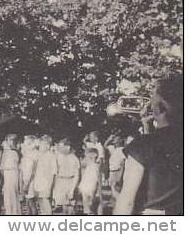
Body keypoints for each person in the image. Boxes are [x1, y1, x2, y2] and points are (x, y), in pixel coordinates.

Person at [115, 74, 184, 215]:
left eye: (153, 97)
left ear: (162, 106)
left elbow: (126, 202)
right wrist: (148, 128)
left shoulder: (143, 144)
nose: (149, 102)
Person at [53, 138, 80, 215]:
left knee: (71, 207)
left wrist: (73, 189)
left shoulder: (74, 158)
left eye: (61, 147)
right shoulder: (58, 157)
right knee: (64, 206)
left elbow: (77, 175)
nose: (59, 149)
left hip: (71, 182)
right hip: (61, 182)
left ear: (68, 147)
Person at [33, 135, 58, 215]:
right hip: (38, 182)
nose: (40, 146)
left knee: (46, 201)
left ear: (48, 146)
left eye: (42, 144)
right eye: (40, 144)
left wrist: (49, 187)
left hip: (46, 183)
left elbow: (53, 173)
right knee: (40, 202)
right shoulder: (39, 155)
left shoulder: (51, 156)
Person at [1, 134, 21, 215]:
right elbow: (2, 166)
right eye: (9, 140)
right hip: (7, 173)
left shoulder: (14, 152)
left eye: (13, 140)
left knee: (12, 193)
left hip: (13, 173)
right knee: (7, 194)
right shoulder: (6, 152)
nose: (11, 142)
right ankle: (9, 212)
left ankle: (15, 213)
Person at [79, 147, 102, 215]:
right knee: (86, 208)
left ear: (92, 157)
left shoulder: (95, 167)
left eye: (86, 157)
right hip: (85, 189)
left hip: (91, 190)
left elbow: (96, 182)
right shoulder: (88, 167)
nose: (84, 159)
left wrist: (93, 195)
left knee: (91, 207)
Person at [19, 135, 38, 215]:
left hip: (30, 181)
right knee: (27, 202)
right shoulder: (26, 155)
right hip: (25, 180)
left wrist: (26, 184)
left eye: (28, 143)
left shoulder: (33, 155)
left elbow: (31, 172)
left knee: (31, 202)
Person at [105, 134, 126, 201]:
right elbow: (105, 146)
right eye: (114, 141)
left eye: (116, 141)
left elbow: (123, 163)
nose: (115, 142)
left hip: (117, 171)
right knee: (113, 191)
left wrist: (120, 175)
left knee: (117, 191)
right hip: (112, 171)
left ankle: (120, 204)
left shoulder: (122, 149)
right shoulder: (113, 149)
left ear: (120, 141)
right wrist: (109, 139)